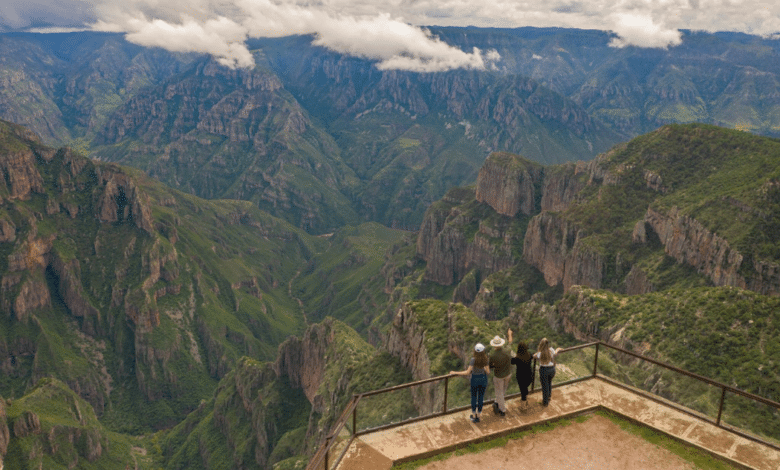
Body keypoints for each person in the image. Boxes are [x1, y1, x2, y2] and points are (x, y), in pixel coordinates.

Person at [450, 343, 490, 423]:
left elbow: (468, 372)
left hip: (475, 379)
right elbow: (488, 372)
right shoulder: (485, 359)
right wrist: (482, 370)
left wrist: (455, 373)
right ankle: (479, 415)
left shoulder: (473, 360)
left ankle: (474, 415)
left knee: (474, 397)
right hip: (483, 379)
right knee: (481, 397)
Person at [488, 332, 512, 417]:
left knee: (499, 393)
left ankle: (502, 410)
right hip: (508, 374)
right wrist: (509, 334)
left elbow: (490, 366)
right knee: (502, 391)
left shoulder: (493, 356)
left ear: (494, 345)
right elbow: (510, 343)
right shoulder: (507, 352)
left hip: (499, 376)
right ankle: (496, 402)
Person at [533, 338, 562, 406]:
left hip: (544, 370)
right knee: (549, 383)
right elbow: (555, 352)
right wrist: (558, 349)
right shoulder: (551, 350)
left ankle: (545, 402)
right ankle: (548, 397)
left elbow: (534, 356)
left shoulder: (540, 353)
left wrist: (538, 352)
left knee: (544, 386)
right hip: (552, 369)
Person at [509, 331, 533, 408]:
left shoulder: (517, 359)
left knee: (523, 391)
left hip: (521, 377)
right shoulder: (529, 355)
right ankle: (525, 398)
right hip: (529, 376)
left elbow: (511, 361)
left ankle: (524, 406)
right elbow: (533, 355)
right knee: (525, 389)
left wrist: (510, 342)